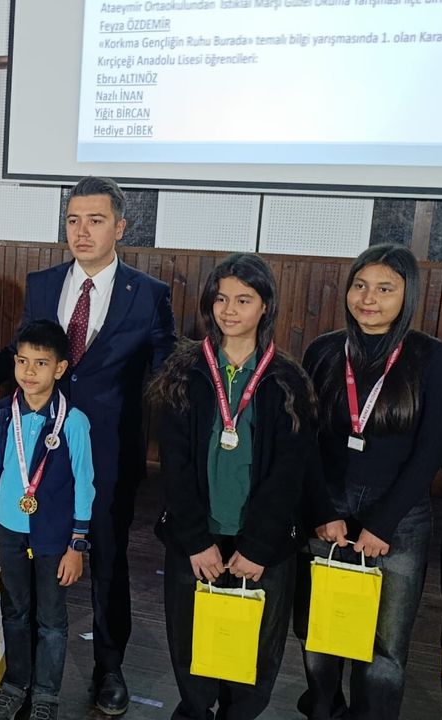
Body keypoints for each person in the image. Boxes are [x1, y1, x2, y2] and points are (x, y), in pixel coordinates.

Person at [0, 176, 175, 716]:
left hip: (108, 454)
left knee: (108, 561)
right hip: (36, 454)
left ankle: (109, 669)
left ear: (121, 226)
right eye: (73, 220)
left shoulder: (149, 294)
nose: (82, 231)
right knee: (32, 561)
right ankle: (25, 675)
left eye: (95, 220)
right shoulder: (43, 283)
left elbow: (167, 372)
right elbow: (20, 352)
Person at [294, 244, 442, 719]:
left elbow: (433, 449)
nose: (369, 299)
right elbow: (305, 439)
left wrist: (383, 524)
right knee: (321, 634)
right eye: (360, 286)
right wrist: (322, 511)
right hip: (328, 511)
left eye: (385, 289)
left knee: (385, 646)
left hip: (399, 518)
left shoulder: (432, 357)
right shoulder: (324, 350)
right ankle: (323, 708)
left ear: (408, 295)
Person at [149, 253, 315, 720]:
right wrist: (195, 540)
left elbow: (290, 473)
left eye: (244, 299)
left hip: (261, 546)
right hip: (196, 540)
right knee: (191, 646)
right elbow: (174, 465)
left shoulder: (286, 378)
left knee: (255, 653)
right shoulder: (185, 370)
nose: (229, 310)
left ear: (266, 306)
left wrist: (259, 546)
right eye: (221, 298)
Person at [0, 320, 95, 720]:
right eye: (22, 361)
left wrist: (77, 546)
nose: (29, 372)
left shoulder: (73, 421)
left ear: (60, 369)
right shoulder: (1, 414)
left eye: (41, 363)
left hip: (53, 537)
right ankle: (15, 686)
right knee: (14, 611)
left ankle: (46, 696)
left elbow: (85, 486)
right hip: (9, 530)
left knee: (50, 620)